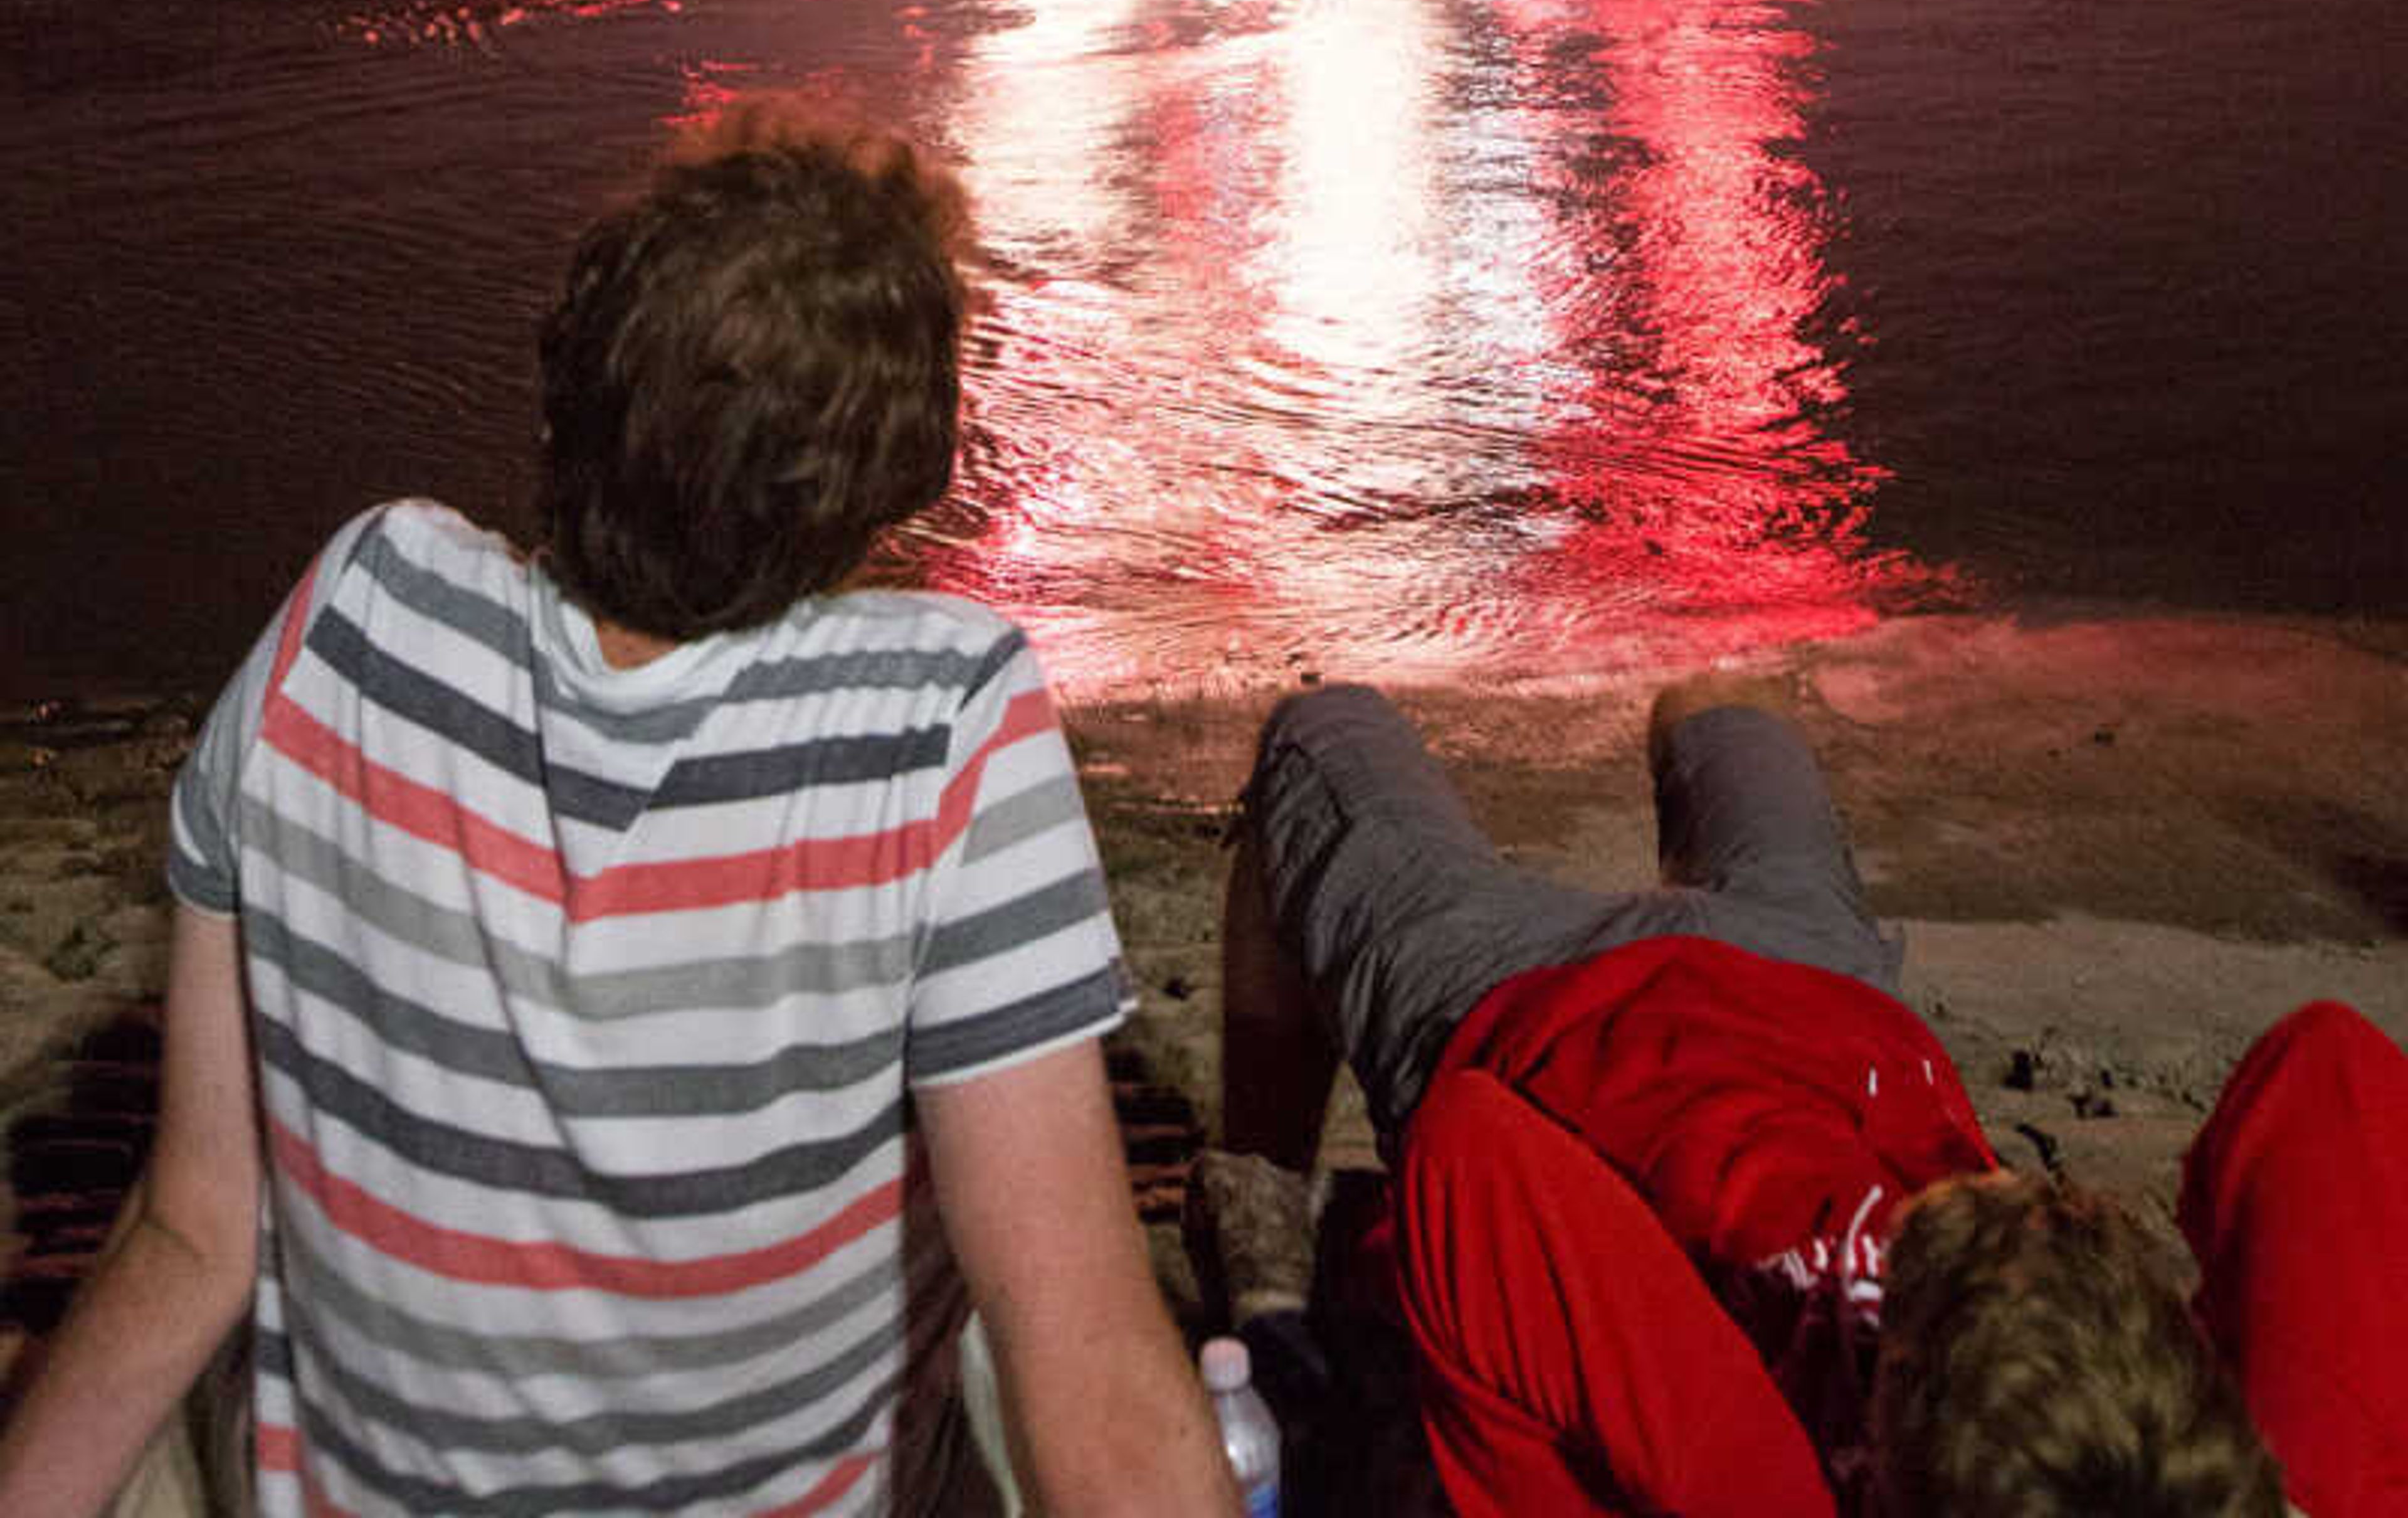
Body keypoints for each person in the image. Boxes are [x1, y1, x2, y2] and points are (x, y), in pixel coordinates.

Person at [0, 112, 1237, 1518]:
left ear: (564, 393)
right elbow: (1083, 1366)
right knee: (1044, 1335)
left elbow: (188, 1236)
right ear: (889, 491)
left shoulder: (349, 615)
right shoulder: (941, 723)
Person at [1220, 676, 2329, 1517]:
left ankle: (1248, 1181)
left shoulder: (1755, 1482)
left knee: (1321, 734)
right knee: (1721, 707)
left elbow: (1472, 1151)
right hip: (1819, 993)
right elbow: (2330, 1070)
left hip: (1534, 1006)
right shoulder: (2198, 1479)